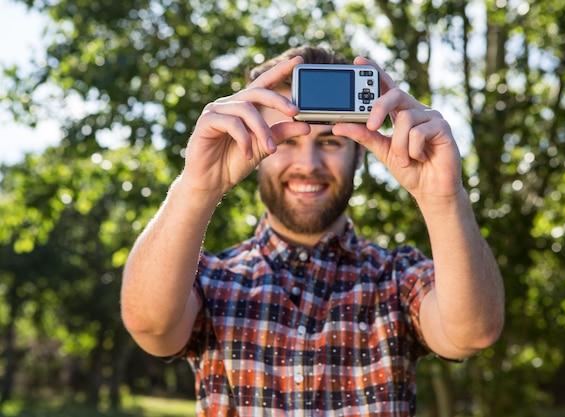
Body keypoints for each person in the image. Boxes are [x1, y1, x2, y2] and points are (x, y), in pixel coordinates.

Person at [121, 45, 505, 416]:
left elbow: (472, 333)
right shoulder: (209, 278)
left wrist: (443, 197)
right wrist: (196, 186)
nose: (309, 163)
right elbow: (150, 326)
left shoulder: (397, 276)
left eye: (332, 141)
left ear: (359, 154)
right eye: (288, 140)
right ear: (254, 148)